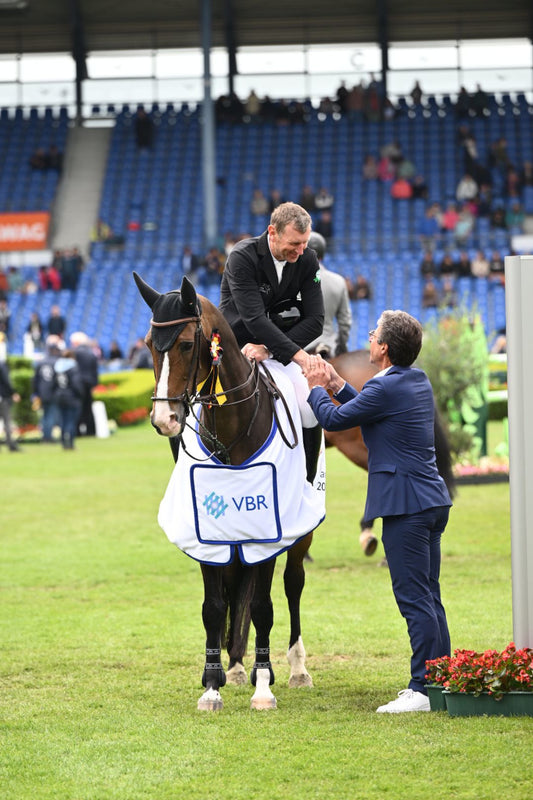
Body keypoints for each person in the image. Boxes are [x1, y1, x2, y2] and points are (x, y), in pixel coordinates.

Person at [304, 310, 452, 712]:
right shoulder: (413, 380)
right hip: (432, 502)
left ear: (383, 348)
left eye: (373, 335)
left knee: (414, 598)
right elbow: (369, 408)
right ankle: (441, 679)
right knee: (430, 595)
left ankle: (421, 689)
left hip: (407, 506)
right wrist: (338, 382)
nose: (368, 338)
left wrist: (318, 386)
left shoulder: (385, 388)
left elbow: (333, 418)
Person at [219, 201, 325, 482]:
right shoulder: (242, 255)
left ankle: (308, 481)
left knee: (308, 408)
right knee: (190, 402)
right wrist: (301, 357)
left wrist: (271, 350)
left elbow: (316, 320)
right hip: (235, 348)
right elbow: (253, 319)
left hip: (276, 351)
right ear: (272, 232)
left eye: (304, 243)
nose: (300, 250)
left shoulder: (307, 259)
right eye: (294, 243)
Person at [304, 232, 351, 358]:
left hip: (298, 349)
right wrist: (341, 349)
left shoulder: (290, 280)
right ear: (323, 255)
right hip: (327, 347)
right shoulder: (338, 281)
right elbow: (345, 323)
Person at [32, 335, 62, 442]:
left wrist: (36, 392)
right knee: (51, 415)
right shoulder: (57, 362)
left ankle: (45, 435)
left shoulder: (41, 362)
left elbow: (35, 379)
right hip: (53, 392)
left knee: (45, 415)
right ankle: (48, 437)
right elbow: (59, 380)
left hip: (42, 392)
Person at [52, 348, 83, 449]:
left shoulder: (57, 366)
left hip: (59, 395)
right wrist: (80, 394)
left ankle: (62, 441)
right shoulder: (73, 367)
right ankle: (70, 442)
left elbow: (53, 383)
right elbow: (76, 384)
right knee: (71, 420)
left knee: (62, 420)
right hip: (71, 396)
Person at [70, 332, 99, 436]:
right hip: (89, 383)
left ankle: (77, 431)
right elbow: (95, 370)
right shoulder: (91, 353)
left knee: (78, 408)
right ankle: (91, 431)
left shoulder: (75, 353)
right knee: (88, 408)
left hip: (78, 383)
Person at [0, 359, 21, 452]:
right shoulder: (2, 365)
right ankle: (10, 444)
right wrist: (13, 393)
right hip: (3, 397)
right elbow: (6, 380)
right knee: (7, 421)